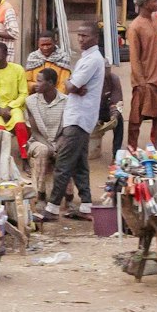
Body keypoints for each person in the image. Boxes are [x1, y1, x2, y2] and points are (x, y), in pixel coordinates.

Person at [50, 20, 104, 217]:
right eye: (79, 35)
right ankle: (86, 204)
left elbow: (70, 86)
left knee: (63, 164)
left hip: (79, 118)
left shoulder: (92, 60)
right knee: (80, 165)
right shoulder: (88, 58)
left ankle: (52, 206)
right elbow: (72, 86)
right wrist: (71, 84)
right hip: (80, 117)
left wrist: (70, 83)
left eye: (85, 36)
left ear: (95, 38)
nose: (80, 39)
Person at [125, 0, 157, 148]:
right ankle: (132, 150)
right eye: (154, 0)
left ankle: (156, 151)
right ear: (145, 4)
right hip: (146, 82)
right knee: (136, 119)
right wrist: (140, 82)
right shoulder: (135, 26)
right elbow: (134, 57)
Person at [23, 69, 66, 220]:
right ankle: (40, 196)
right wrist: (49, 146)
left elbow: (66, 130)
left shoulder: (65, 101)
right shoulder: (31, 101)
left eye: (40, 81)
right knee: (42, 151)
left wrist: (57, 145)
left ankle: (67, 196)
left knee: (66, 152)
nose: (36, 84)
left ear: (51, 84)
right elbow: (34, 131)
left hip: (60, 140)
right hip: (38, 141)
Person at [0, 40, 29, 135]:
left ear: (5, 55)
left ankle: (23, 149)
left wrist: (10, 107)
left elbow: (24, 94)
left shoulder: (18, 69)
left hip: (13, 107)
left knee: (19, 121)